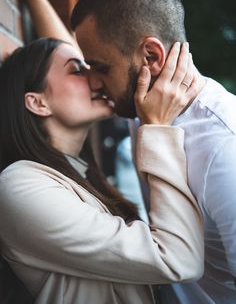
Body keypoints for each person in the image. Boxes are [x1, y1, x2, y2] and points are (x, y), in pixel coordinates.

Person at [0, 34, 204, 304]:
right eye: (77, 70)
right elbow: (177, 259)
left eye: (93, 67)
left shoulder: (80, 175)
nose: (96, 79)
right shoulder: (20, 186)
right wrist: (157, 128)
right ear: (38, 102)